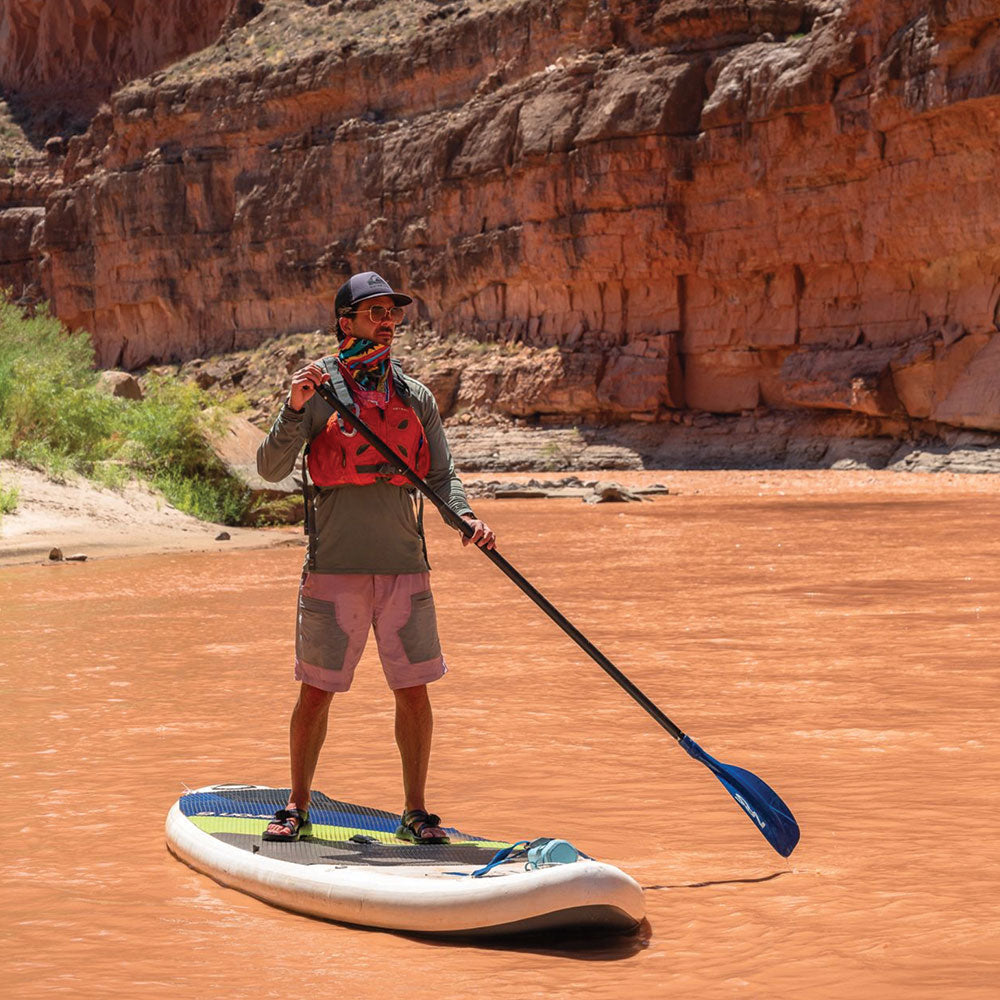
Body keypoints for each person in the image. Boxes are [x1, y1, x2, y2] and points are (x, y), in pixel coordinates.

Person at [256, 270, 495, 845]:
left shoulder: (414, 396)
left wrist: (464, 518)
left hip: (405, 567)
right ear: (347, 322)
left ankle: (416, 811)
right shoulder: (316, 392)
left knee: (413, 690)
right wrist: (293, 406)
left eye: (393, 313)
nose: (389, 322)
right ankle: (296, 805)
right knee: (317, 692)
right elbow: (268, 468)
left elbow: (442, 476)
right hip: (333, 570)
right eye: (376, 312)